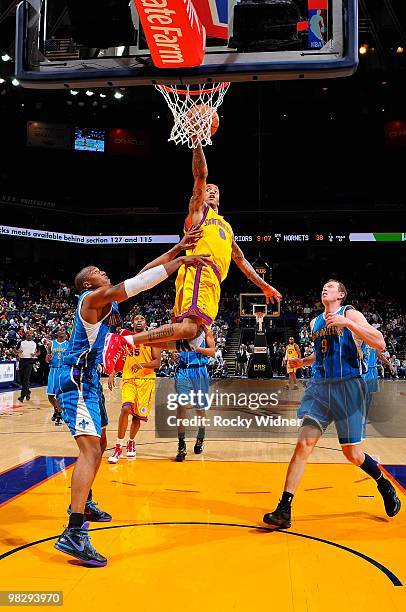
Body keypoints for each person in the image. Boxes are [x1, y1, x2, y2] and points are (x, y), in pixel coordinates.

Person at [54, 233, 210, 567]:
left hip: (90, 379)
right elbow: (133, 285)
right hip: (75, 379)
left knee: (103, 441)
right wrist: (179, 264)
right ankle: (73, 531)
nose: (103, 272)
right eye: (97, 270)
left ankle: (84, 500)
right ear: (87, 283)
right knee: (91, 450)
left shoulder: (101, 303)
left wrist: (178, 249)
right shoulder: (90, 299)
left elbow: (140, 276)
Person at [263, 279, 401, 529]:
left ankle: (383, 482)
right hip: (321, 389)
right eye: (323, 286)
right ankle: (285, 508)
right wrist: (302, 362)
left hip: (349, 388)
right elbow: (321, 354)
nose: (325, 288)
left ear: (341, 294)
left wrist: (348, 323)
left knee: (352, 454)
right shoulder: (316, 322)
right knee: (304, 444)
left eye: (331, 286)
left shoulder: (350, 313)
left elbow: (379, 342)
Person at [130, 144, 281, 350]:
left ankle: (131, 342)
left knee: (192, 340)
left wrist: (264, 286)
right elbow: (201, 174)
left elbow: (241, 259)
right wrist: (197, 142)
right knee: (189, 330)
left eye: (215, 191)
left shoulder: (227, 228)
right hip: (199, 269)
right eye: (208, 189)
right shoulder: (199, 212)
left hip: (214, 280)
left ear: (220, 197)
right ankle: (128, 339)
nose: (210, 191)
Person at [108, 314, 161, 463]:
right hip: (129, 378)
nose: (139, 321)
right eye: (136, 319)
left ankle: (131, 442)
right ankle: (118, 446)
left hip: (146, 380)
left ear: (146, 323)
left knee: (137, 417)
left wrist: (142, 365)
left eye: (142, 319)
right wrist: (112, 372)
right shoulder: (126, 339)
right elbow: (118, 357)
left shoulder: (153, 339)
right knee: (125, 409)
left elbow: (157, 362)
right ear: (132, 323)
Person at [174, 328, 215, 461]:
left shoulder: (206, 332)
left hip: (199, 371)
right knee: (181, 405)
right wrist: (176, 355)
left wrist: (196, 348)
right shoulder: (181, 330)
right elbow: (177, 349)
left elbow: (212, 352)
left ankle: (201, 436)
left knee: (199, 408)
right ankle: (181, 444)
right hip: (182, 371)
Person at [45, 327, 69, 426]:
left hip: (63, 370)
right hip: (53, 370)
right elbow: (47, 359)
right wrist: (48, 357)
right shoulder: (51, 343)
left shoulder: (68, 344)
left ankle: (59, 415)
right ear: (57, 333)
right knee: (50, 396)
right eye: (59, 330)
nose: (61, 331)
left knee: (60, 395)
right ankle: (56, 409)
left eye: (63, 330)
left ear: (66, 334)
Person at [16, 330, 39, 402]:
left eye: (30, 334)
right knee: (22, 379)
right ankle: (28, 391)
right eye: (27, 334)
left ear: (32, 335)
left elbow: (39, 352)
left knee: (26, 378)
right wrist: (18, 352)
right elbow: (15, 350)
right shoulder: (21, 342)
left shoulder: (35, 343)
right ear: (25, 335)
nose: (29, 335)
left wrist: (35, 354)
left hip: (30, 361)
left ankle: (22, 396)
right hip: (22, 361)